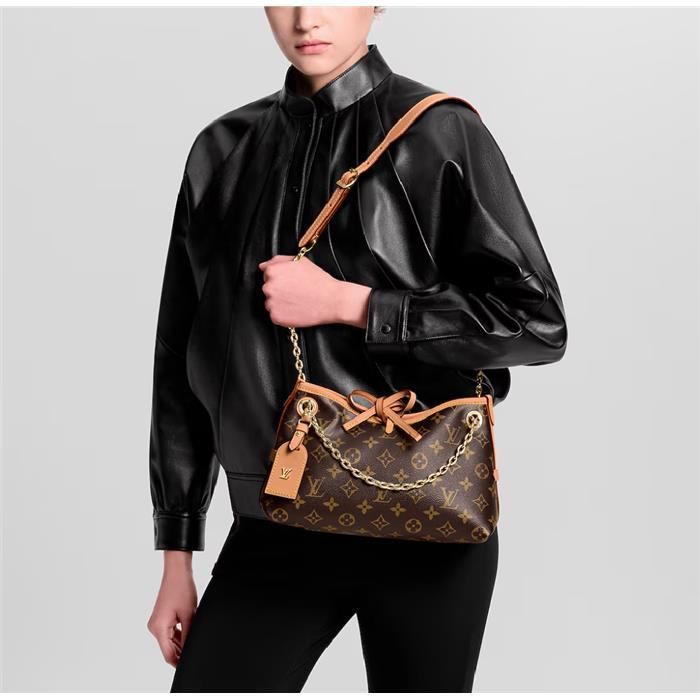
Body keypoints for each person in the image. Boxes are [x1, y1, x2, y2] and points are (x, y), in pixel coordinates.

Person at [146, 6, 568, 693]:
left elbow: (538, 322)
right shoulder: (224, 149)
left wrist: (355, 306)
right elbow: (180, 361)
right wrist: (177, 553)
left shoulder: (438, 130)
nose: (306, 17)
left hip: (427, 517)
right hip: (276, 519)